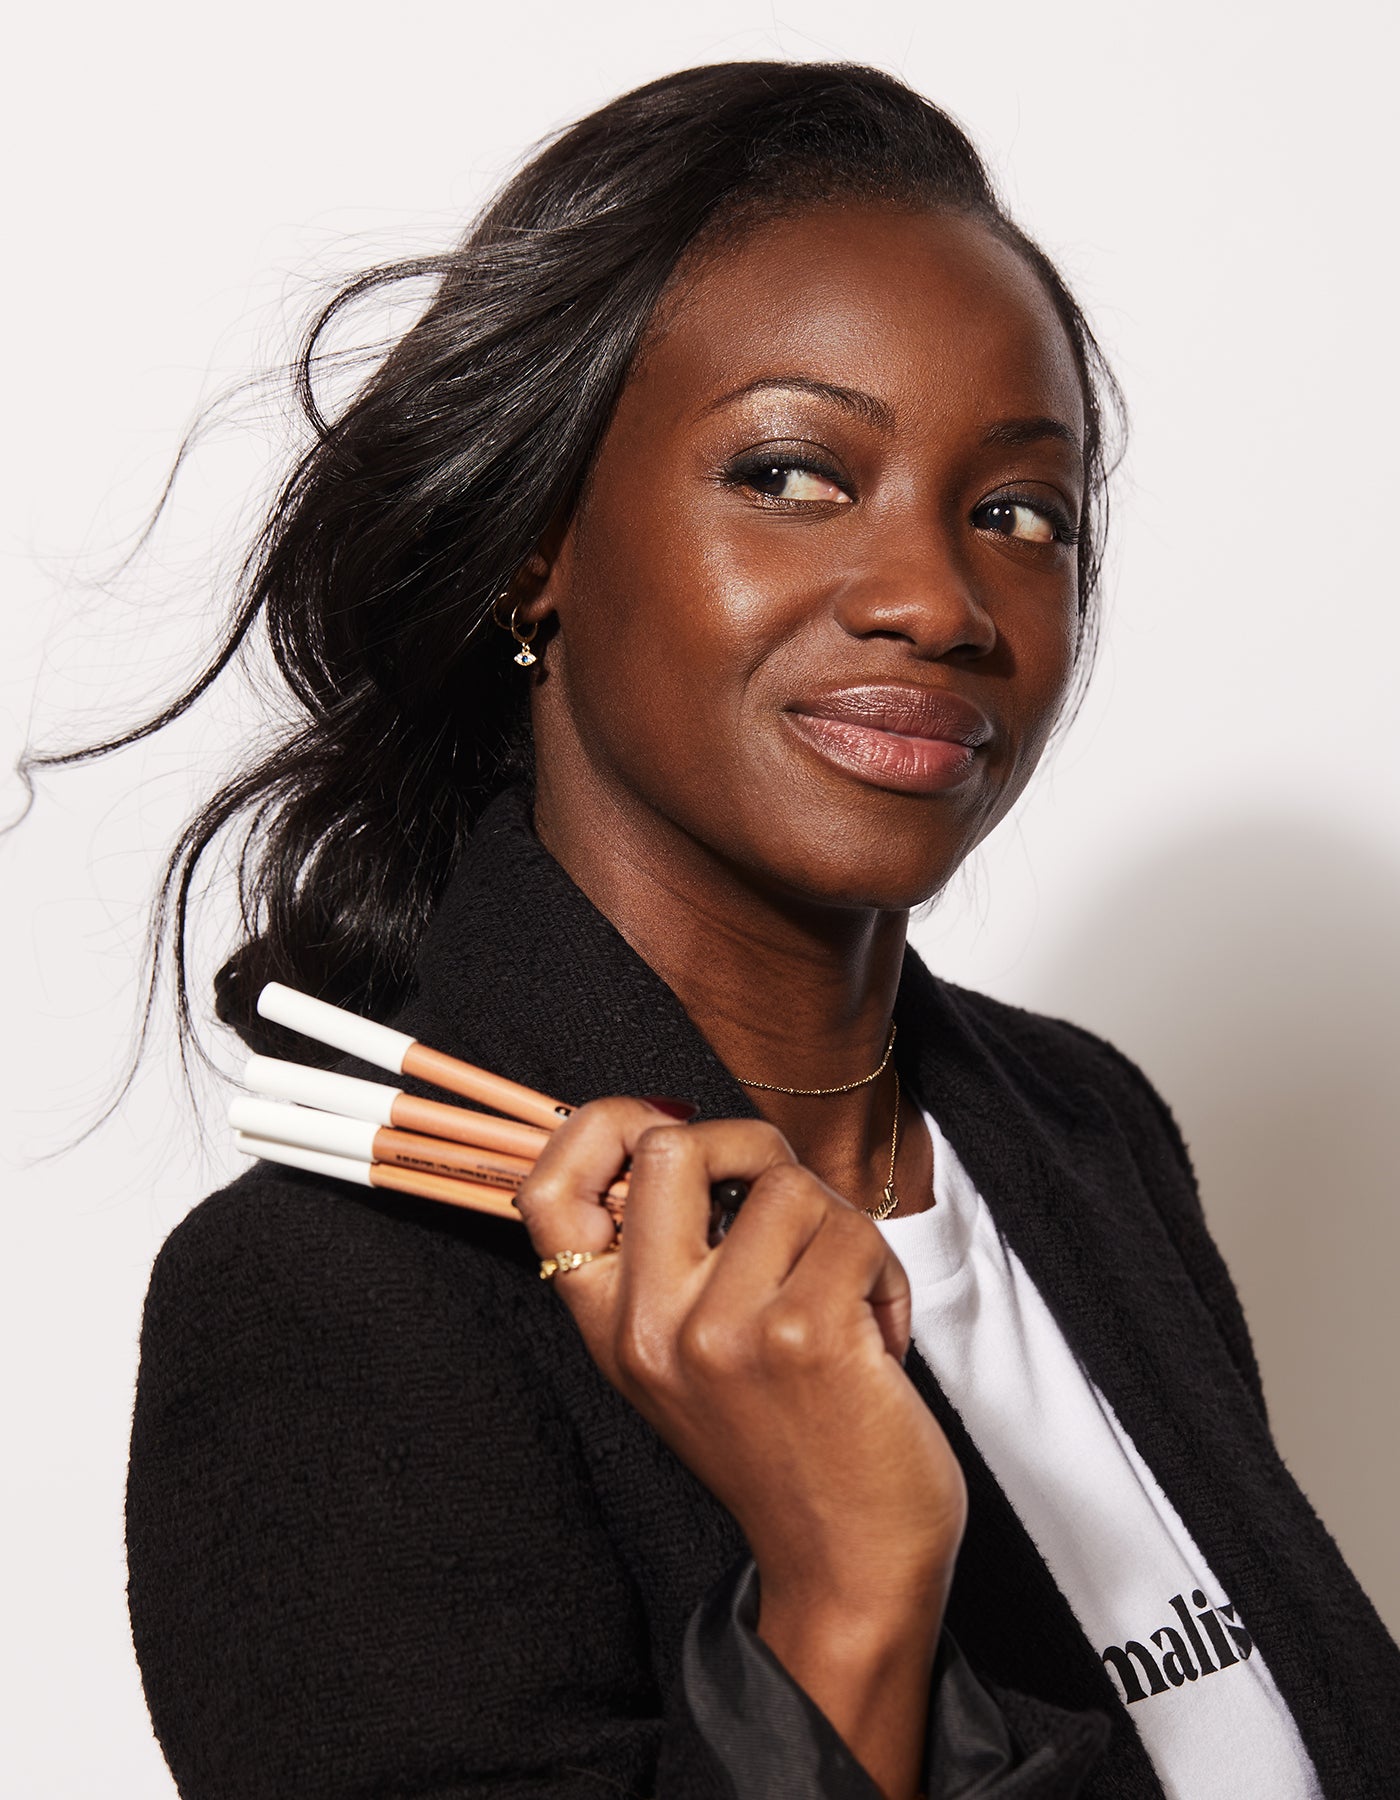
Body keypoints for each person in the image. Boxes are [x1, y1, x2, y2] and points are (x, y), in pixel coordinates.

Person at [102, 60, 1400, 1800]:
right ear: (533, 549)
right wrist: (847, 1588)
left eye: (1021, 512)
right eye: (794, 474)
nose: (939, 599)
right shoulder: (340, 1309)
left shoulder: (1087, 1135)